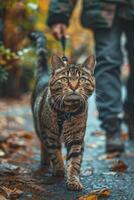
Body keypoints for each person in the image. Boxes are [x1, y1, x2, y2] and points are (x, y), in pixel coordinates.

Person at [47, 0, 134, 154]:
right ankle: (112, 127)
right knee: (107, 60)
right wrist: (59, 14)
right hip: (102, 7)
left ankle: (131, 113)